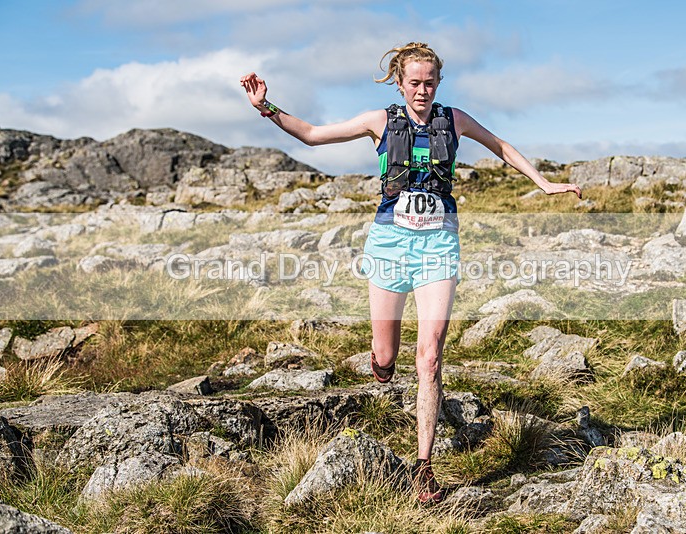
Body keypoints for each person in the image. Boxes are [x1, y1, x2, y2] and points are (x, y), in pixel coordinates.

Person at [240, 42, 582, 504]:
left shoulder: (454, 120)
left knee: (430, 356)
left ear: (438, 83)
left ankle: (423, 467)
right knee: (386, 354)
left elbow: (500, 146)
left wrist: (542, 183)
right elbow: (314, 134)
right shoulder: (379, 122)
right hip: (389, 244)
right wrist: (268, 108)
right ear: (399, 83)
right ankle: (382, 365)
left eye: (430, 82)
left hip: (439, 245)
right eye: (415, 82)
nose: (422, 90)